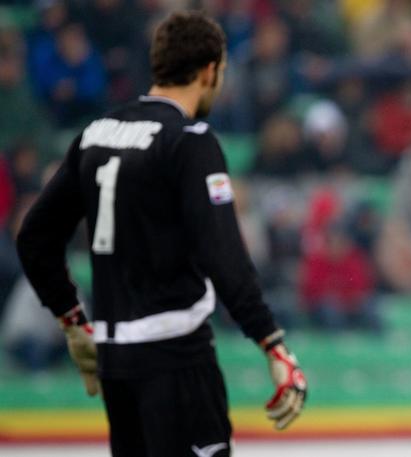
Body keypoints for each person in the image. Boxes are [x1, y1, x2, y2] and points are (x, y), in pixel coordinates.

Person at [16, 11, 307, 457]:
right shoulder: (190, 141)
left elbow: (34, 237)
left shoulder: (97, 133)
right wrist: (272, 343)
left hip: (115, 362)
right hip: (177, 358)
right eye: (221, 72)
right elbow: (224, 255)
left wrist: (72, 321)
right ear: (210, 70)